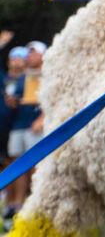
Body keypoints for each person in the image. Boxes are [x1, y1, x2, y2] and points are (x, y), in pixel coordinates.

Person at [4, 41, 46, 219]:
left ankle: (37, 203)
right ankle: (17, 205)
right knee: (17, 164)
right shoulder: (22, 78)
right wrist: (12, 102)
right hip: (18, 126)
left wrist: (41, 119)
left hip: (34, 127)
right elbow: (18, 100)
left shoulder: (48, 75)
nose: (31, 56)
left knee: (36, 165)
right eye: (29, 53)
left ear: (43, 55)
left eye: (34, 52)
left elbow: (50, 99)